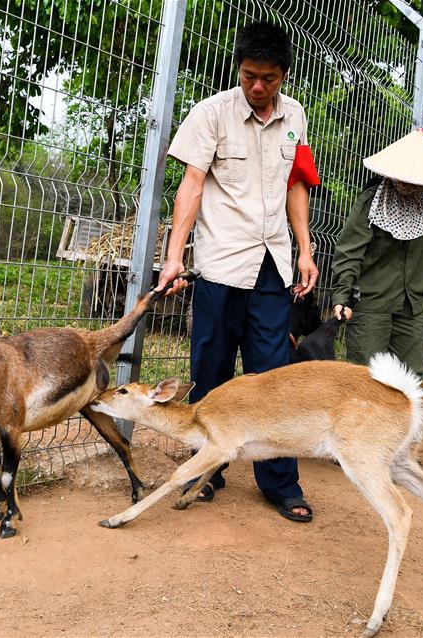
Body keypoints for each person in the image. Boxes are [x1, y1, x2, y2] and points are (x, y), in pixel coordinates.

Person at [155, 21, 319, 522]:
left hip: (273, 264)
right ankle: (208, 470)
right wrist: (174, 254)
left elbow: (296, 186)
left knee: (273, 379)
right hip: (222, 262)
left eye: (268, 78)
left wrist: (306, 250)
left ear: (284, 75)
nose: (257, 87)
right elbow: (192, 184)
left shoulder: (296, 117)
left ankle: (279, 482)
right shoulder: (211, 114)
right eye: (249, 75)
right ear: (239, 70)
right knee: (212, 368)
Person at [330, 129, 423, 376]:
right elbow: (349, 251)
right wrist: (341, 296)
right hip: (372, 304)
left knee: (412, 380)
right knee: (366, 378)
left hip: (412, 307)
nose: (408, 183)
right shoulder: (373, 202)